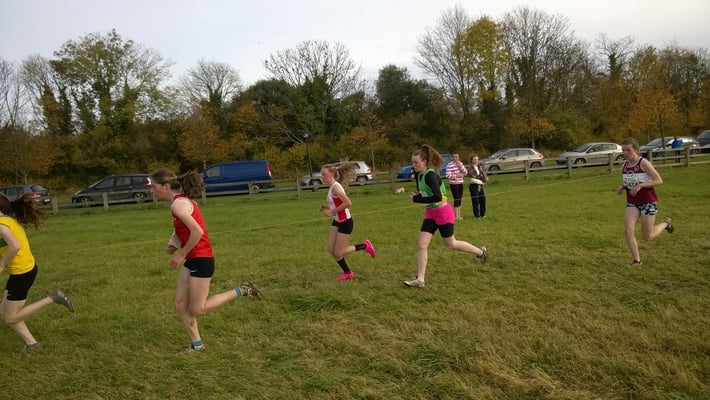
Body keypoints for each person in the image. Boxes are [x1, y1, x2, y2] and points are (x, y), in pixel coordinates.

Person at [149, 169, 262, 353]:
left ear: (166, 186)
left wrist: (181, 254)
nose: (151, 191)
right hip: (193, 259)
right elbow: (186, 227)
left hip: (202, 259)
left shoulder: (178, 205)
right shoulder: (181, 202)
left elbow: (197, 231)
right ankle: (197, 346)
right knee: (180, 304)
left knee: (198, 309)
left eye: (154, 187)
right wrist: (174, 242)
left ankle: (243, 290)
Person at [404, 145, 488, 288]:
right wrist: (418, 196)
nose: (413, 165)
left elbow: (437, 197)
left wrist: (417, 199)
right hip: (431, 213)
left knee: (451, 243)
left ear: (424, 162)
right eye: (412, 162)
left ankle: (480, 252)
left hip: (443, 213)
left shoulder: (430, 175)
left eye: (416, 162)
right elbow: (427, 193)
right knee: (422, 245)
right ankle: (420, 279)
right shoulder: (418, 175)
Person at [0, 193, 74, 351]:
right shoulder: (7, 221)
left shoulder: (1, 225)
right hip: (23, 271)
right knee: (4, 312)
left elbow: (15, 246)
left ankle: (54, 297)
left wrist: (2, 264)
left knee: (10, 317)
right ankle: (32, 344)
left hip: (22, 274)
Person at [615, 138, 674, 265]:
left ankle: (666, 223)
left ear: (636, 150)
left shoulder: (643, 163)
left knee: (647, 236)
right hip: (632, 202)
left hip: (648, 201)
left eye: (628, 150)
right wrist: (622, 187)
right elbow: (629, 182)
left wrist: (641, 185)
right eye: (623, 150)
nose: (625, 153)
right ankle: (637, 260)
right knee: (628, 230)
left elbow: (659, 180)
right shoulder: (624, 165)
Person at [319, 163, 376, 281]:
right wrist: (326, 207)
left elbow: (348, 203)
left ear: (331, 174)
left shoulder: (335, 187)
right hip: (337, 221)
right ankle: (348, 273)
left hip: (345, 222)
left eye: (323, 174)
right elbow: (336, 202)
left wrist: (332, 211)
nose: (321, 176)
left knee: (338, 253)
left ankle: (364, 246)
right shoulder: (332, 187)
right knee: (331, 249)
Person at [445, 153, 467, 220]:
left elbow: (465, 172)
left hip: (460, 183)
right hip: (454, 184)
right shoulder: (449, 165)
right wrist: (457, 175)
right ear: (452, 158)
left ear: (458, 158)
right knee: (456, 199)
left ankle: (459, 215)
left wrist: (460, 166)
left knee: (460, 199)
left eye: (456, 157)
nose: (455, 158)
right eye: (454, 157)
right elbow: (448, 175)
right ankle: (455, 216)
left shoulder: (460, 164)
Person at [467, 154, 488, 218]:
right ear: (472, 160)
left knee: (483, 200)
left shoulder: (480, 167)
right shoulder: (470, 168)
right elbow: (472, 179)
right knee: (475, 201)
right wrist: (481, 182)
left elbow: (483, 175)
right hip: (473, 186)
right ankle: (477, 215)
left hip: (480, 186)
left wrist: (485, 179)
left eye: (477, 159)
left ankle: (483, 214)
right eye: (475, 159)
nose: (476, 161)